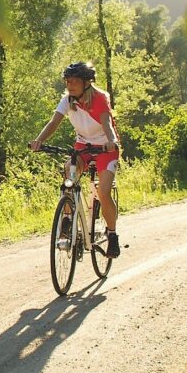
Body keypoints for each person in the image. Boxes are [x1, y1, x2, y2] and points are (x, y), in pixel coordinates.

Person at [29, 62, 121, 258]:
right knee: (69, 174)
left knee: (103, 192)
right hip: (83, 146)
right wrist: (39, 140)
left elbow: (106, 122)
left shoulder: (99, 99)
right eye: (68, 81)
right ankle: (68, 217)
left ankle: (112, 235)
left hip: (106, 147)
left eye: (75, 82)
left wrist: (112, 140)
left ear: (87, 83)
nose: (70, 85)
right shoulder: (67, 100)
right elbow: (53, 122)